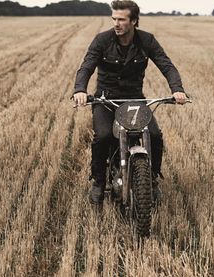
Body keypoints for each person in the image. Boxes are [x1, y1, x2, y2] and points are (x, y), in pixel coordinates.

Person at [73, 0, 188, 205]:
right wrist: (80, 90)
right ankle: (99, 182)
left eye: (121, 19)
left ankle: (151, 180)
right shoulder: (102, 40)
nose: (116, 23)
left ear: (134, 21)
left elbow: (166, 65)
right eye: (114, 19)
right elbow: (87, 66)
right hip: (106, 99)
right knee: (104, 137)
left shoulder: (147, 41)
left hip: (134, 98)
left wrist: (177, 89)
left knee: (154, 135)